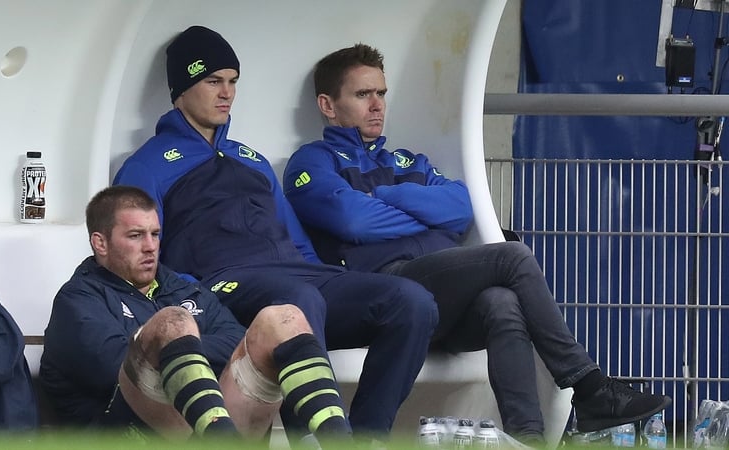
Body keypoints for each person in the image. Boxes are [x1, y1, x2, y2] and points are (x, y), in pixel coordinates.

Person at [282, 43, 673, 445]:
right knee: (512, 256)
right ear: (328, 105)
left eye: (381, 93)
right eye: (363, 94)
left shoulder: (408, 162)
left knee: (501, 303)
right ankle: (589, 388)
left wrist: (386, 195)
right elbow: (354, 220)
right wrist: (424, 219)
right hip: (381, 291)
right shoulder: (313, 161)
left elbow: (461, 209)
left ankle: (528, 437)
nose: (377, 105)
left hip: (438, 293)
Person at [111, 26, 438, 443]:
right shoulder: (148, 165)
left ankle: (366, 438)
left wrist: (325, 278)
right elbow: (140, 252)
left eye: (232, 82)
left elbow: (298, 244)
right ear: (182, 89)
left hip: (294, 277)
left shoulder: (253, 160)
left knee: (411, 301)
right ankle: (315, 439)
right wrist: (190, 297)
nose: (226, 93)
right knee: (298, 299)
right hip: (223, 284)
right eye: (213, 82)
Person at [39, 185, 354, 447]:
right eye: (135, 236)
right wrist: (175, 340)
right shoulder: (77, 300)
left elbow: (237, 339)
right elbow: (115, 370)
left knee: (284, 319)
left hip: (208, 423)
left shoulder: (181, 288)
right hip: (124, 434)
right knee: (173, 323)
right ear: (100, 243)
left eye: (155, 234)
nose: (150, 247)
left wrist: (183, 348)